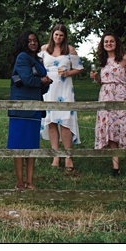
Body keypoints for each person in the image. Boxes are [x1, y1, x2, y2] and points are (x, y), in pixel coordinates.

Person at [94, 33, 126, 177]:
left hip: (121, 97)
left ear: (117, 43)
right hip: (105, 97)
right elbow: (104, 81)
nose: (109, 44)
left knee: (125, 129)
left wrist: (125, 81)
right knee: (110, 129)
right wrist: (97, 78)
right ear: (102, 44)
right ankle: (115, 167)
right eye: (106, 42)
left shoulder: (124, 58)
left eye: (111, 41)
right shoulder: (103, 61)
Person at [39, 23, 84, 173]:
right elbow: (38, 67)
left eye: (61, 35)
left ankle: (68, 156)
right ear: (52, 34)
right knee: (52, 121)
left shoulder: (70, 50)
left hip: (64, 88)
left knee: (65, 121)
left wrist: (68, 73)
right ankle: (55, 155)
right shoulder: (44, 49)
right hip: (49, 89)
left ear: (65, 37)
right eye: (56, 34)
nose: (58, 37)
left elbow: (79, 68)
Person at [9, 32, 51, 190]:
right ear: (23, 43)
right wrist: (42, 80)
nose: (33, 43)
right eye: (29, 41)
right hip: (21, 107)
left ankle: (30, 181)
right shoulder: (22, 57)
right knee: (19, 145)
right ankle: (20, 182)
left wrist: (45, 83)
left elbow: (41, 86)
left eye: (35, 40)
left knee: (32, 145)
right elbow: (26, 79)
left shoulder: (38, 60)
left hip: (35, 106)